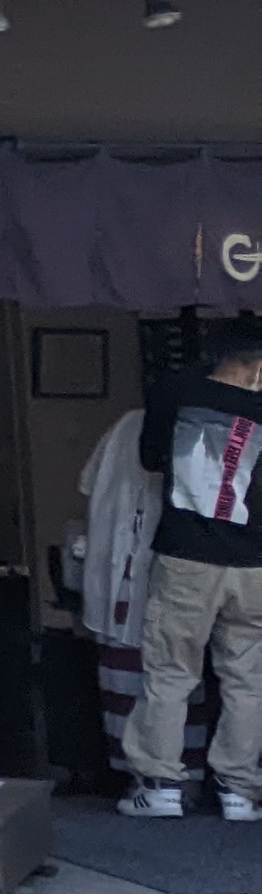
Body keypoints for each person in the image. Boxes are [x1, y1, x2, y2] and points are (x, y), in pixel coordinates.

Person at [123, 326, 262, 820]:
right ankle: (238, 792)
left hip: (184, 554)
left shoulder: (176, 393)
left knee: (171, 671)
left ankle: (160, 784)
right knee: (247, 679)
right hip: (255, 564)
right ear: (255, 367)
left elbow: (149, 458)